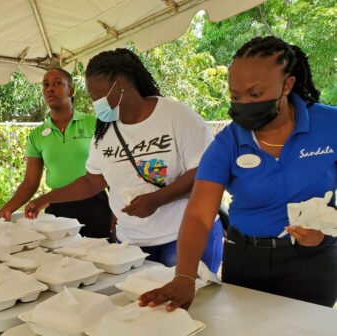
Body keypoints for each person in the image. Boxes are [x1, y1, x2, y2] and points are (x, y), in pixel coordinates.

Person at [139, 36, 337, 311]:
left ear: (287, 85)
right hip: (247, 260)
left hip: (313, 260)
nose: (244, 103)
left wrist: (326, 229)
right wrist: (184, 275)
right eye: (235, 96)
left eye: (255, 95)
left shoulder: (330, 125)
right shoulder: (227, 143)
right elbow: (198, 214)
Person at [25, 49, 223, 272]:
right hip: (131, 244)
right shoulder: (105, 132)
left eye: (96, 96)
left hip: (183, 236)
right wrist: (47, 198)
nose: (94, 104)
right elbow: (92, 181)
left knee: (191, 303)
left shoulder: (176, 116)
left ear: (119, 86)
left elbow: (206, 172)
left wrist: (157, 199)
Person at [0, 68, 112, 238]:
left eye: (57, 83)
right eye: (45, 85)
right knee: (60, 261)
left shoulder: (94, 124)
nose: (49, 89)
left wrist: (118, 209)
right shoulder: (37, 136)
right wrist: (8, 208)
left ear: (71, 90)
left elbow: (110, 168)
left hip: (95, 206)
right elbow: (30, 182)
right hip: (57, 207)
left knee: (101, 258)